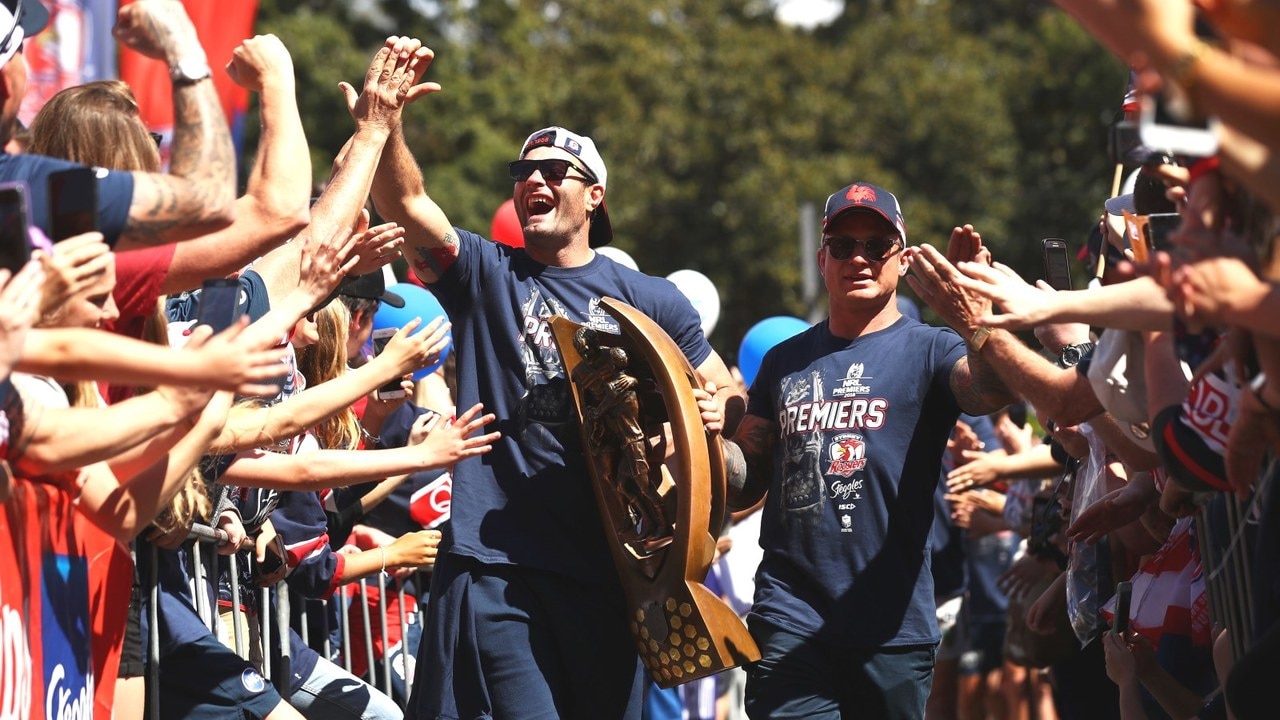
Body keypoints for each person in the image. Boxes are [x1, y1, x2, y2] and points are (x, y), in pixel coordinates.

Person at [361, 36, 741, 719]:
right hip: (501, 566)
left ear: (594, 195)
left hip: (613, 571)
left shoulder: (647, 298)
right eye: (524, 170)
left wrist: (715, 413)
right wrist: (385, 123)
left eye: (555, 171)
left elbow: (726, 390)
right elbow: (406, 199)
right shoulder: (485, 276)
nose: (534, 181)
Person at [718, 182, 1016, 719]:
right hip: (791, 620)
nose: (859, 257)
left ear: (901, 260)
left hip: (892, 629)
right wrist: (693, 435)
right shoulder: (784, 361)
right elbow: (745, 476)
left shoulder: (932, 348)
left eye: (876, 246)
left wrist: (979, 318)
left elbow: (993, 391)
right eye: (842, 245)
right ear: (822, 259)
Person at [0, 0, 239, 250]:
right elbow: (213, 202)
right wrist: (182, 45)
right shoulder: (39, 188)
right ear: (6, 80)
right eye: (20, 51)